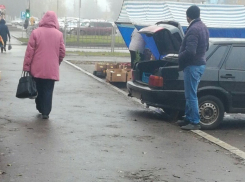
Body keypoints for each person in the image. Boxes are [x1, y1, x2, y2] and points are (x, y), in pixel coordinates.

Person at [23, 11, 66, 119]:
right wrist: (57, 62)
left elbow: (29, 52)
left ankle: (40, 107)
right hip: (51, 68)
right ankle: (46, 112)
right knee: (48, 90)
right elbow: (62, 52)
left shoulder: (36, 33)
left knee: (38, 89)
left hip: (37, 68)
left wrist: (26, 67)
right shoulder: (59, 34)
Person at [177, 5, 209, 130]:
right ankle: (188, 118)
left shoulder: (193, 29)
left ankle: (195, 122)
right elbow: (206, 47)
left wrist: (179, 56)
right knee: (190, 93)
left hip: (193, 65)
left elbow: (190, 51)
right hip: (200, 64)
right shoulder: (203, 27)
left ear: (188, 16)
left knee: (191, 95)